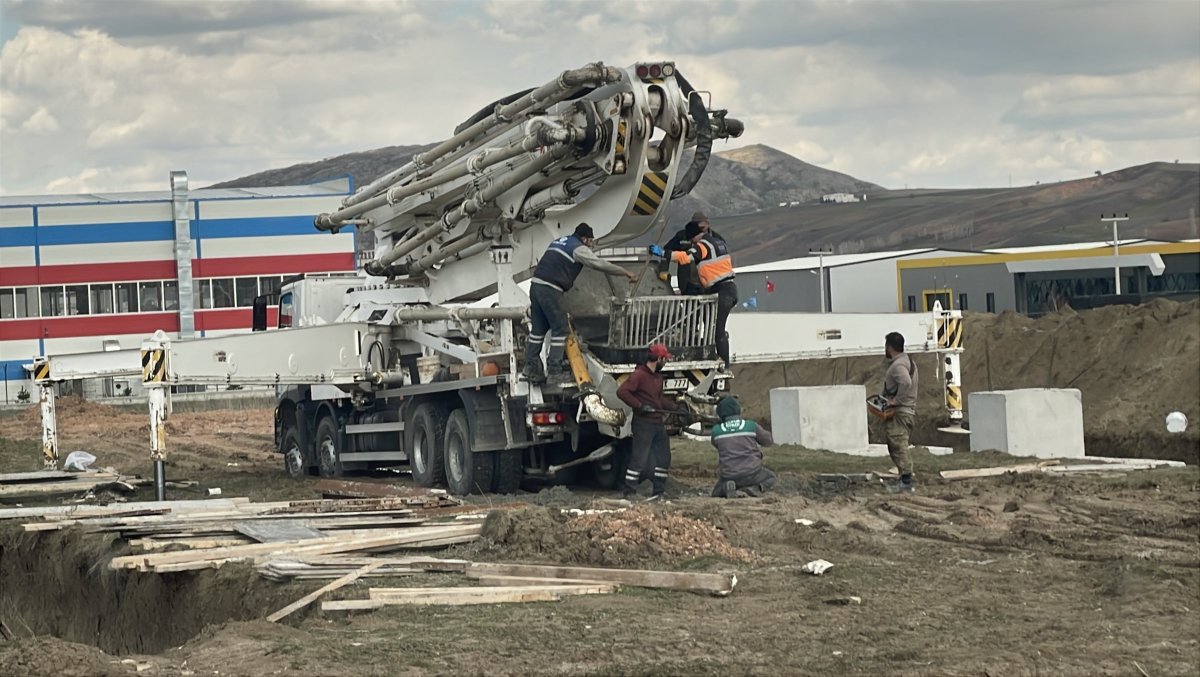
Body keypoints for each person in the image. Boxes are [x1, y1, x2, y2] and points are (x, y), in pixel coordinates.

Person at [524, 223, 637, 383]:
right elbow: (599, 264)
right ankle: (554, 371)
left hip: (535, 287)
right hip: (550, 290)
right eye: (590, 241)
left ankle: (530, 367)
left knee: (538, 329)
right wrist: (625, 272)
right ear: (584, 238)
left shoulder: (559, 241)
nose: (591, 244)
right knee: (560, 329)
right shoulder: (578, 248)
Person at [654, 220, 738, 369]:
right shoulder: (717, 241)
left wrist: (663, 253)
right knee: (713, 329)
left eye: (691, 239)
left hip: (722, 291)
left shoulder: (703, 245)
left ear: (693, 236)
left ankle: (724, 366)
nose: (691, 242)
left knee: (717, 331)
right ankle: (716, 359)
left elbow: (686, 258)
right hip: (726, 290)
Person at [616, 343, 674, 499]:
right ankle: (629, 491)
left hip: (657, 422)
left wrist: (675, 408)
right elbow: (622, 392)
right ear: (659, 359)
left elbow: (659, 399)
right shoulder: (639, 375)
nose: (666, 362)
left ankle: (659, 491)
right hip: (643, 423)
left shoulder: (658, 377)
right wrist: (640, 406)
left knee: (664, 457)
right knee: (639, 459)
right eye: (665, 359)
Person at [710, 396, 777, 498]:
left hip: (729, 476)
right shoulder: (751, 426)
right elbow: (768, 441)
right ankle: (755, 488)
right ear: (738, 410)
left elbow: (716, 444)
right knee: (771, 477)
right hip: (753, 473)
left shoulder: (716, 431)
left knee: (716, 493)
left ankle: (728, 487)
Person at [882, 331, 918, 493]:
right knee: (896, 444)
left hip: (900, 413)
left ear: (889, 347)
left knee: (899, 445)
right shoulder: (907, 361)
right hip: (907, 411)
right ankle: (903, 479)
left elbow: (906, 382)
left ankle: (906, 482)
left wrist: (895, 401)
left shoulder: (898, 366)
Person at [657, 210, 714, 295]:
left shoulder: (715, 239)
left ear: (708, 224)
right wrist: (663, 270)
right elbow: (667, 251)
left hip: (707, 283)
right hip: (687, 282)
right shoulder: (682, 236)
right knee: (689, 306)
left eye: (702, 228)